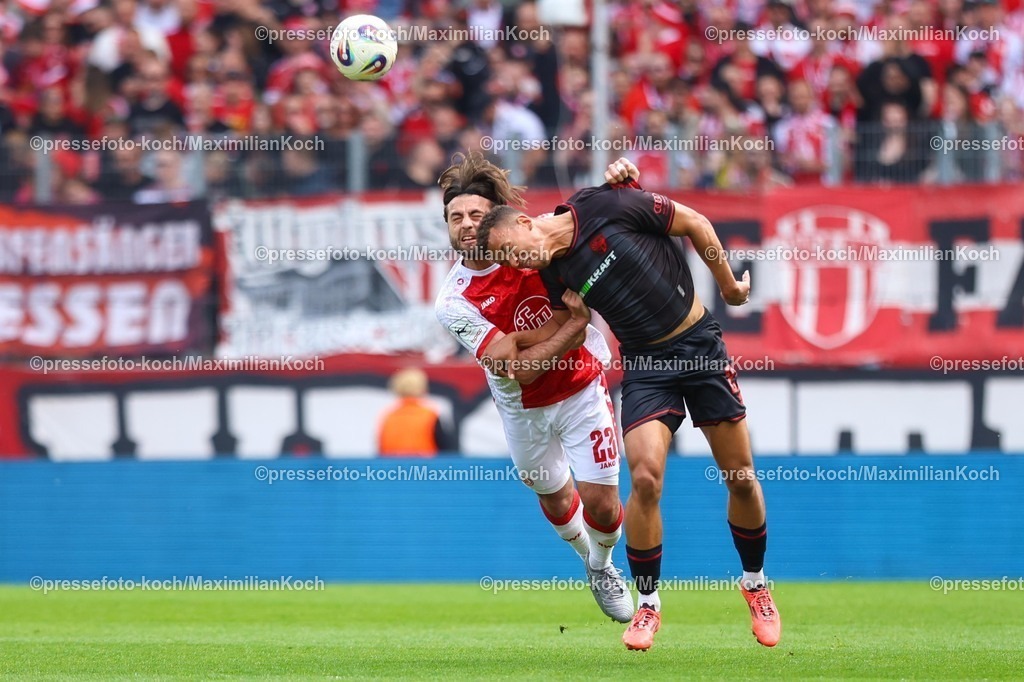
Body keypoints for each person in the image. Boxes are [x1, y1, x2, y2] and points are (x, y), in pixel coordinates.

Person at [475, 167, 781, 651]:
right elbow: (562, 323)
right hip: (644, 364)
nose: (518, 261)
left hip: (699, 344)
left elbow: (696, 223)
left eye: (513, 250)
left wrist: (728, 285)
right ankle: (648, 605)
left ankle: (756, 584)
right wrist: (516, 342)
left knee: (740, 475)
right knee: (643, 479)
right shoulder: (551, 271)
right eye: (508, 261)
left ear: (526, 223)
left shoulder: (603, 205)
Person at [434, 152, 640, 623]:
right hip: (522, 409)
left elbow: (599, 214)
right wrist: (569, 327)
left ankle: (602, 567)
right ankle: (585, 556)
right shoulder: (454, 300)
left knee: (604, 506)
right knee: (555, 497)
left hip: (582, 386)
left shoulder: (533, 245)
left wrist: (621, 179)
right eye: (455, 217)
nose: (466, 225)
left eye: (476, 215)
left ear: (499, 219)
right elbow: (518, 371)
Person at [377, 368, 452, 457]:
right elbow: (446, 449)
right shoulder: (430, 415)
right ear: (422, 388)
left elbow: (382, 449)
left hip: (394, 469)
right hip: (425, 468)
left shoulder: (388, 417)